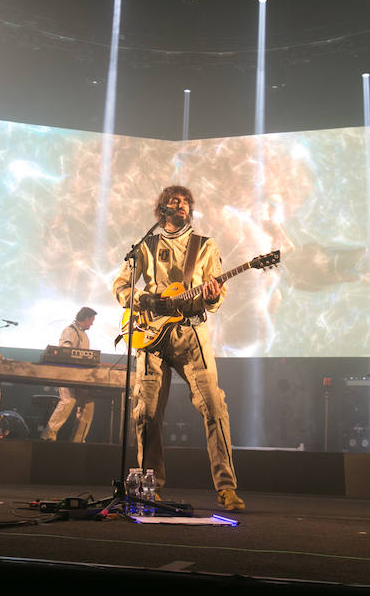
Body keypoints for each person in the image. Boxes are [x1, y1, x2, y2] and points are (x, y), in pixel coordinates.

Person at [112, 185, 244, 511]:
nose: (180, 205)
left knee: (215, 407)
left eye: (185, 201)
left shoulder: (206, 246)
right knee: (146, 412)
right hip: (151, 334)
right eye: (174, 201)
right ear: (162, 209)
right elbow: (121, 285)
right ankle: (149, 487)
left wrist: (212, 294)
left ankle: (227, 488)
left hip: (191, 334)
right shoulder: (147, 244)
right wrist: (144, 300)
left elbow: (216, 297)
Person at [41, 307, 97, 442]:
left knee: (88, 404)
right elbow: (65, 352)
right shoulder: (70, 331)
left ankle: (78, 440)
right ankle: (48, 435)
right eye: (92, 321)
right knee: (68, 400)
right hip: (68, 374)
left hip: (80, 377)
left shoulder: (84, 335)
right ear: (86, 318)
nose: (92, 324)